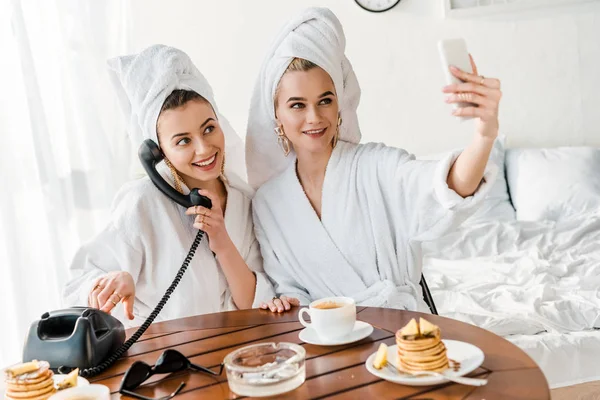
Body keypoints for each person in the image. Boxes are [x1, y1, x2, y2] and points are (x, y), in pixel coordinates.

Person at [246, 8, 501, 313]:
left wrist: (484, 134)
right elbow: (289, 289)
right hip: (324, 339)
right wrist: (284, 303)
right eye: (297, 105)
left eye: (325, 100)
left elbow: (446, 187)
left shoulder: (377, 166)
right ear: (277, 114)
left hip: (401, 331)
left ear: (340, 102)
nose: (314, 117)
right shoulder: (268, 202)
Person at [64, 45, 291, 326]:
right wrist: (114, 279)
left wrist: (222, 242)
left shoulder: (243, 200)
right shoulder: (142, 203)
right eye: (183, 140)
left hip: (233, 355)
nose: (204, 148)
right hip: (163, 361)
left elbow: (253, 304)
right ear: (158, 152)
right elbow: (75, 287)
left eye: (209, 128)